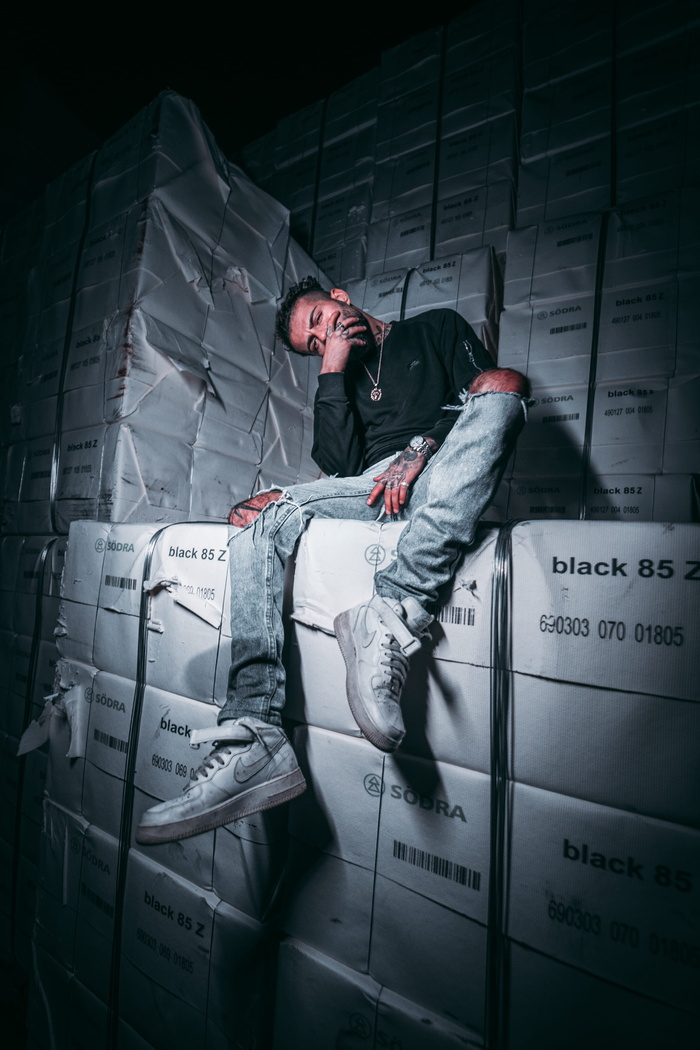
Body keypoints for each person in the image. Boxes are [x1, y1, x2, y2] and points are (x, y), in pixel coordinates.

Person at [136, 277, 529, 844]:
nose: (323, 337)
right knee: (262, 518)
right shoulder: (338, 375)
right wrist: (332, 370)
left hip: (444, 469)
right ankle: (257, 732)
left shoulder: (432, 329)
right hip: (370, 490)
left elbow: (485, 396)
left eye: (320, 320)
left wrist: (419, 452)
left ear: (340, 298)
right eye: (312, 344)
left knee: (506, 391)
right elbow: (339, 464)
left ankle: (391, 610)